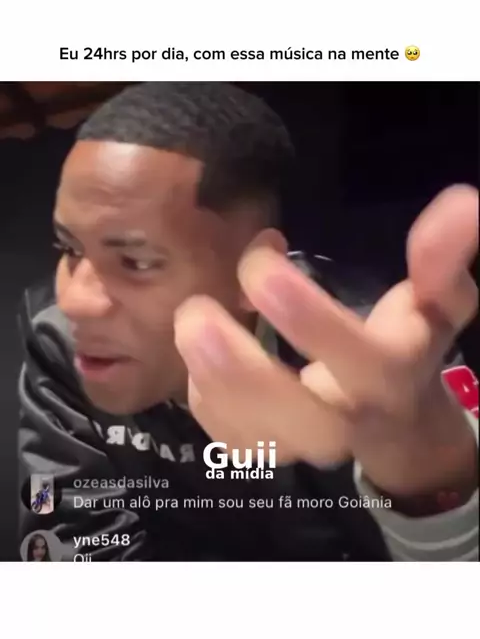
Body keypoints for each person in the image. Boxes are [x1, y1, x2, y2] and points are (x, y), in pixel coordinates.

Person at [18, 82, 479, 561]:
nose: (74, 301)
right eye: (69, 248)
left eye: (136, 261)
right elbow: (61, 539)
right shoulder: (59, 342)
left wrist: (433, 491)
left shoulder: (382, 345)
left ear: (251, 263)